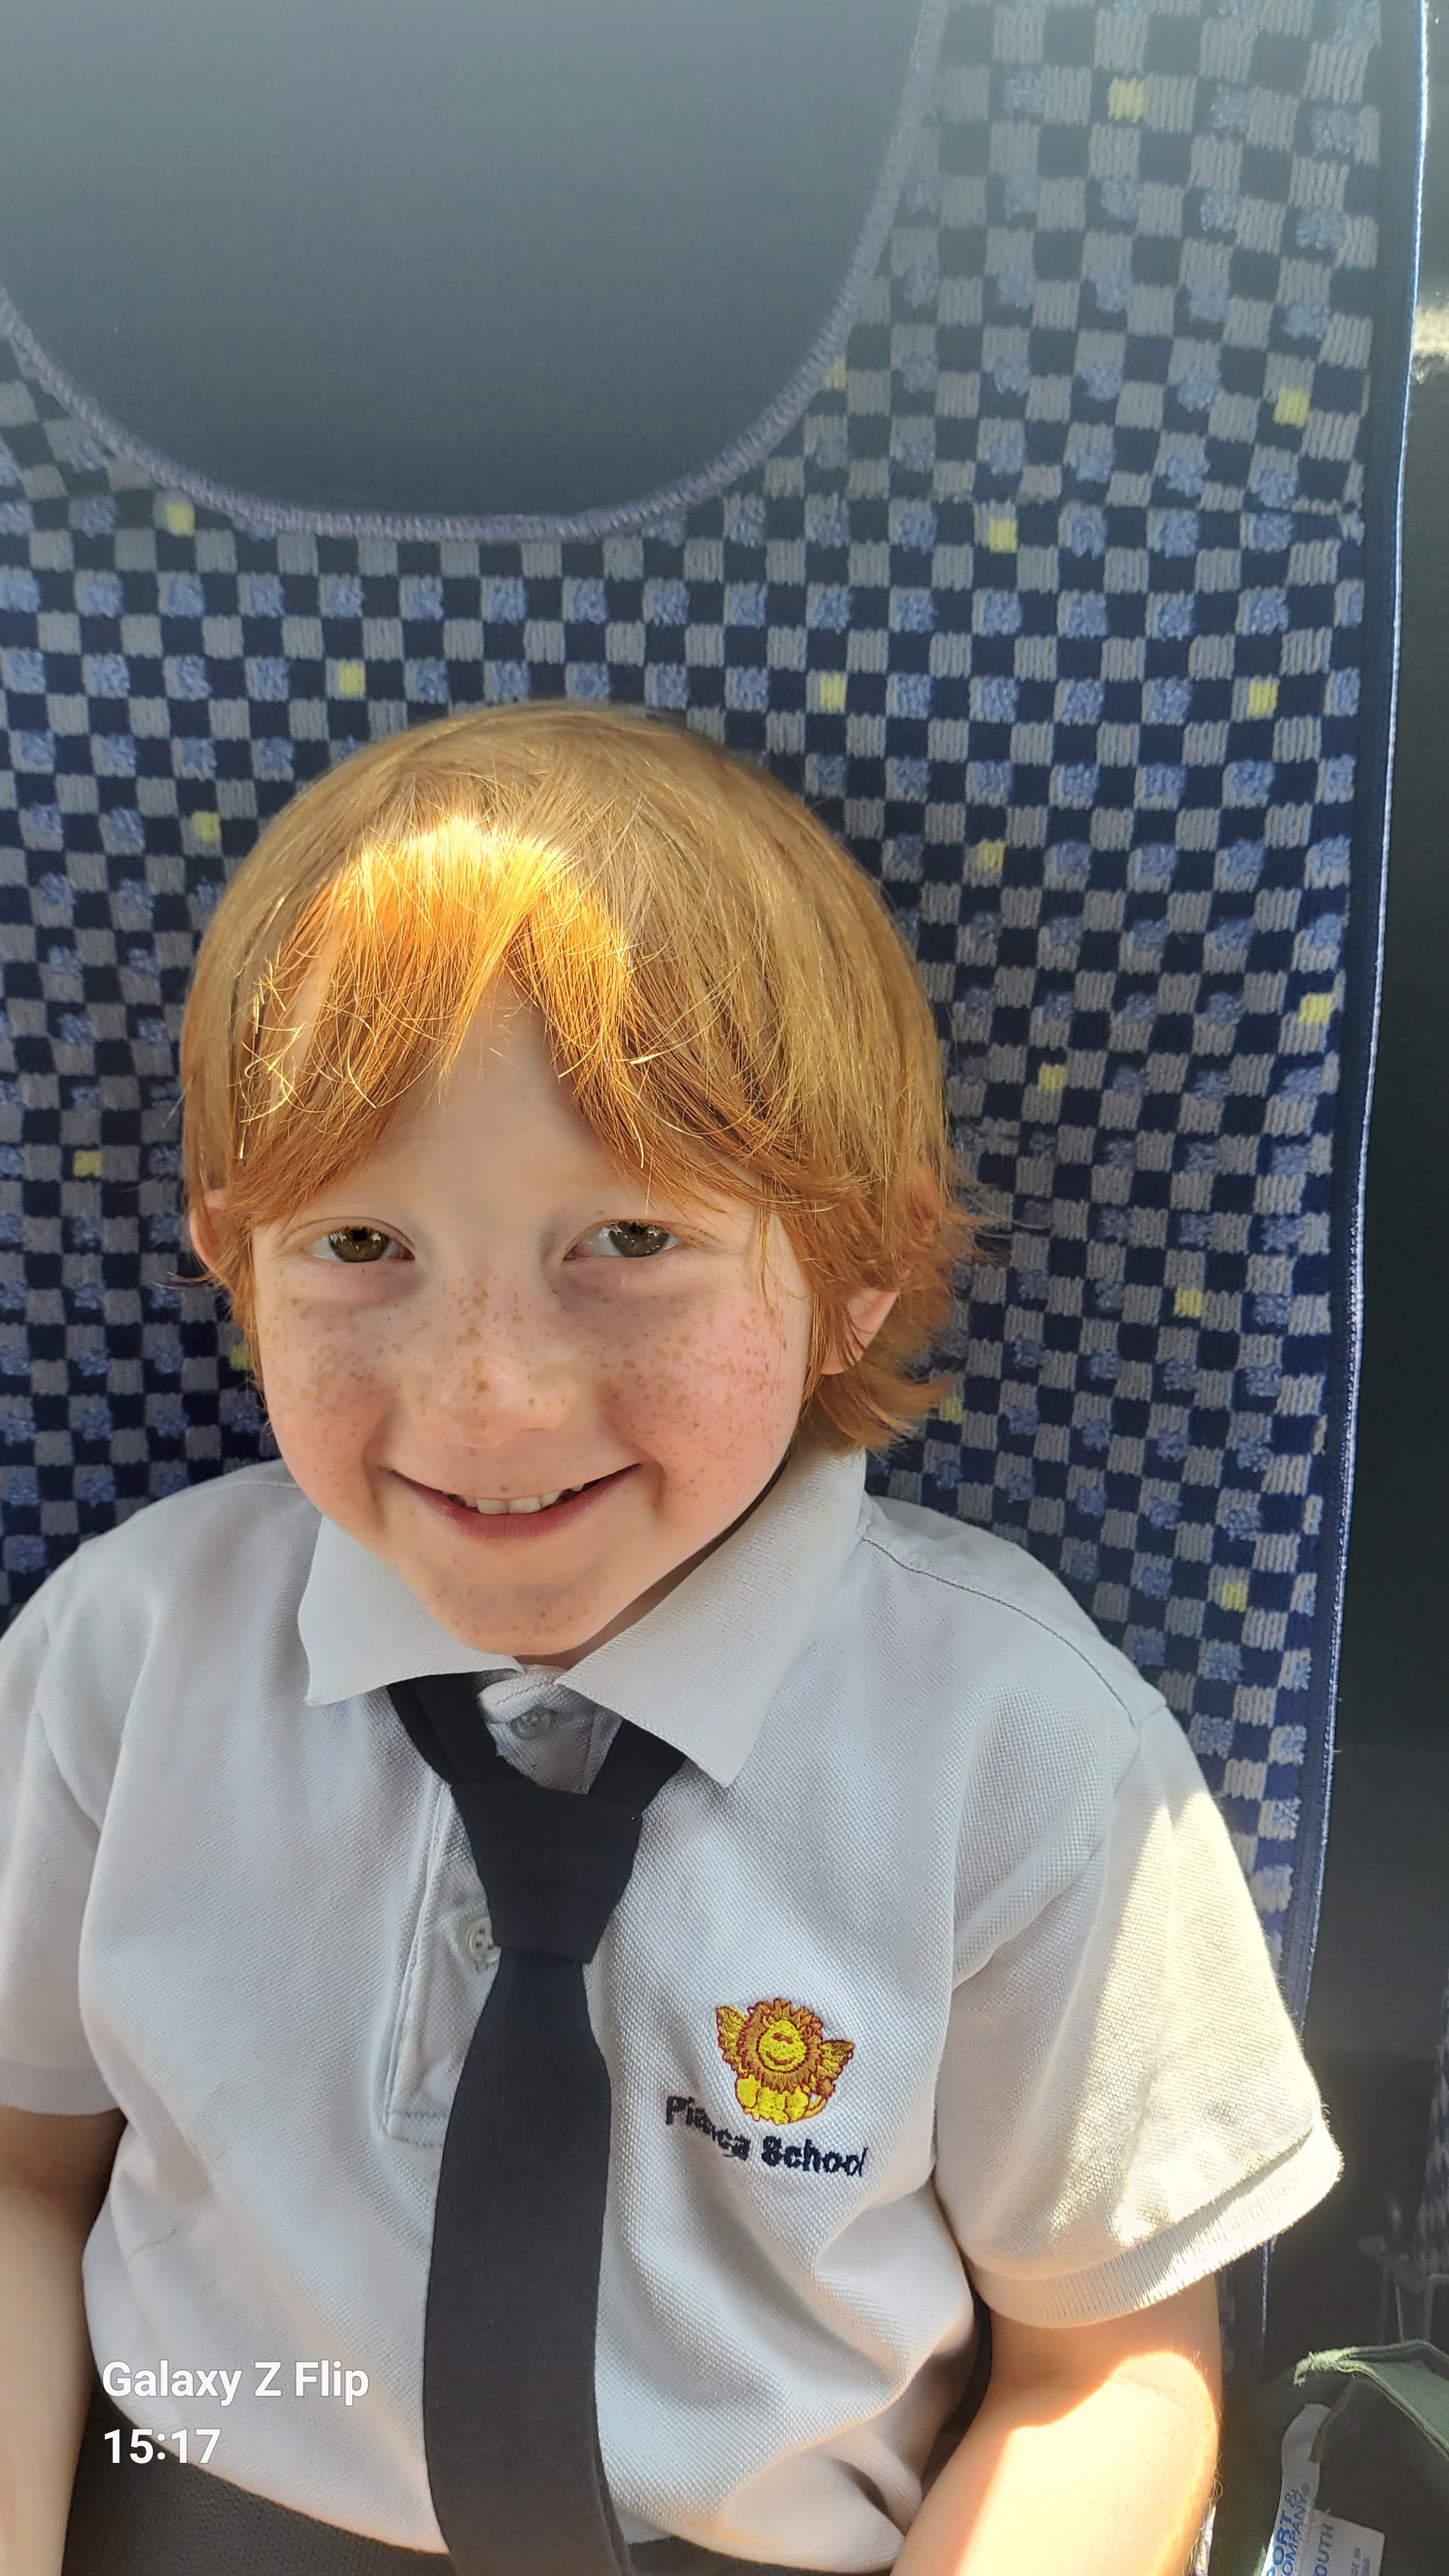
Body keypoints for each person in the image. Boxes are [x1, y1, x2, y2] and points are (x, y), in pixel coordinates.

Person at [0, 703, 1338, 2576]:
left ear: (856, 1270)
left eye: (628, 1241)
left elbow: (1101, 2364)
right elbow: (24, 2168)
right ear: (234, 1257)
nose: (487, 1395)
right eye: (359, 1248)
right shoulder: (129, 1650)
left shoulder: (1019, 1745)